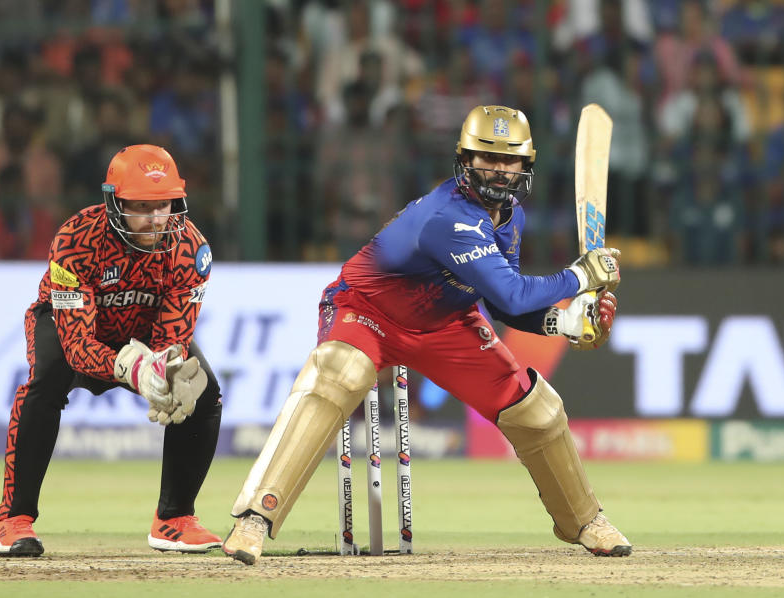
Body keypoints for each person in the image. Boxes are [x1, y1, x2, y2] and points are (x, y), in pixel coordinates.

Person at [223, 105, 631, 565]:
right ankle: (255, 517)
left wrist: (563, 324)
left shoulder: (510, 217)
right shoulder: (450, 217)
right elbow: (516, 296)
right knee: (340, 373)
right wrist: (578, 278)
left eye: (509, 160)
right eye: (486, 158)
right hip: (366, 310)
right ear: (464, 159)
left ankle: (583, 520)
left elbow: (500, 306)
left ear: (524, 166)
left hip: (444, 323)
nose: (498, 170)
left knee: (537, 410)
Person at [0, 144, 223, 557]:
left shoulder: (192, 251)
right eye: (141, 206)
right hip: (69, 326)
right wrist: (134, 369)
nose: (157, 219)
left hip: (144, 327)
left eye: (164, 205)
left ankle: (174, 520)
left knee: (202, 395)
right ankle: (15, 521)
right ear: (114, 202)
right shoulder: (74, 241)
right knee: (44, 384)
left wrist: (163, 368)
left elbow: (173, 337)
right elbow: (79, 348)